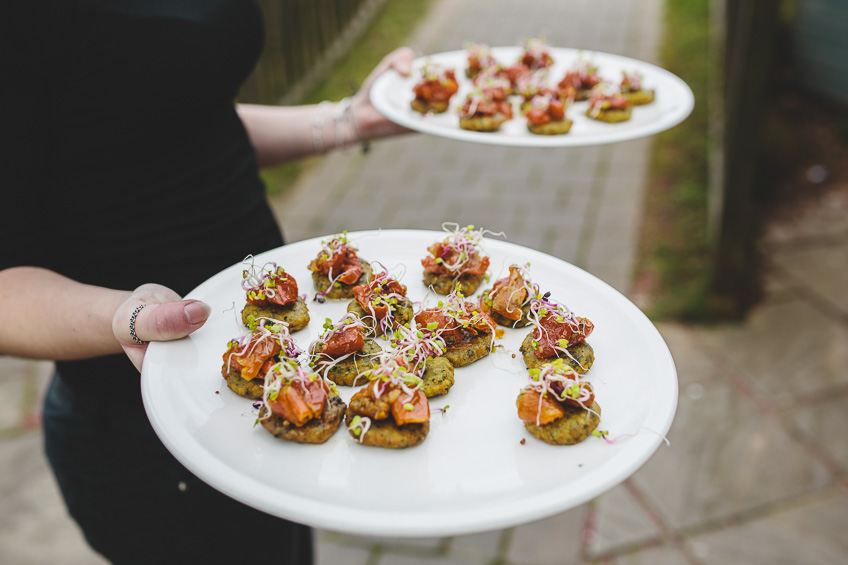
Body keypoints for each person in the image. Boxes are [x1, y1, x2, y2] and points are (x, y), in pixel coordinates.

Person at [0, 1, 414, 563]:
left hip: (285, 380)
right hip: (147, 434)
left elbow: (177, 114)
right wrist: (124, 316)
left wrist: (345, 121)